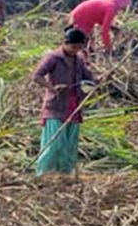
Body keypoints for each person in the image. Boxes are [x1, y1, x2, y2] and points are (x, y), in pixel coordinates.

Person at [31, 27, 96, 176]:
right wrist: (52, 88)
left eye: (79, 48)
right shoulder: (53, 57)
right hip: (56, 106)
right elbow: (37, 76)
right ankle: (44, 175)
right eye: (73, 47)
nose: (76, 50)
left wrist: (96, 82)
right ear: (65, 43)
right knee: (53, 144)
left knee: (69, 144)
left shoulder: (78, 60)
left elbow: (88, 78)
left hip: (73, 106)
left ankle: (65, 175)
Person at [67, 0, 131, 54]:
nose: (123, 9)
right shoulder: (111, 8)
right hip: (81, 17)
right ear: (122, 2)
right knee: (84, 45)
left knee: (88, 45)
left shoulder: (108, 2)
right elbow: (104, 31)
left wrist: (112, 27)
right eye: (124, 6)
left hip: (79, 14)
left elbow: (99, 17)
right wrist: (109, 48)